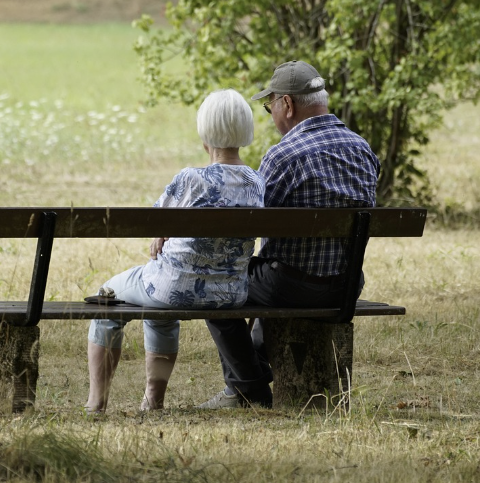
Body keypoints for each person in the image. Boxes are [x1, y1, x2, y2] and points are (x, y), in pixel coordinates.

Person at [198, 60, 380, 409]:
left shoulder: (283, 156)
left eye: (270, 108)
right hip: (346, 286)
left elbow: (251, 226)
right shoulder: (363, 149)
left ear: (287, 105)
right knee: (272, 272)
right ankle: (253, 374)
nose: (271, 116)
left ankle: (248, 389)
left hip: (292, 287)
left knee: (215, 281)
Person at [85, 89, 265, 413]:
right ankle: (152, 401)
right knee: (158, 304)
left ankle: (96, 403)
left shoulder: (191, 179)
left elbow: (152, 221)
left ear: (205, 132)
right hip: (230, 293)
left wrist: (161, 233)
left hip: (173, 288)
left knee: (107, 296)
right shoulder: (256, 182)